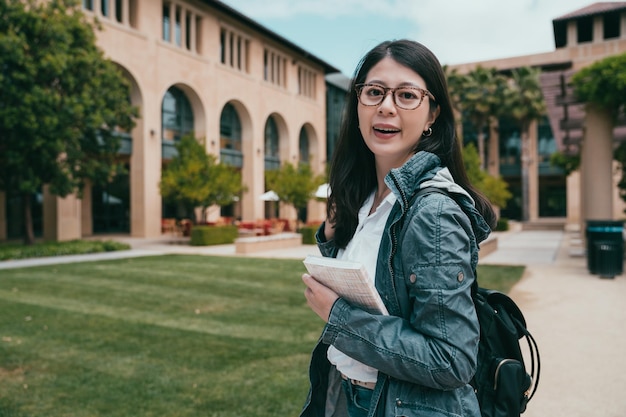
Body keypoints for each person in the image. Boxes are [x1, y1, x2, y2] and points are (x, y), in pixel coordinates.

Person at [300, 39, 496, 417]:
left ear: (432, 115)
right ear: (357, 105)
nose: (386, 106)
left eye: (407, 95)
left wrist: (338, 316)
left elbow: (450, 359)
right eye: (373, 92)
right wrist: (331, 240)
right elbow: (383, 288)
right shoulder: (365, 200)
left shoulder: (433, 212)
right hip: (349, 397)